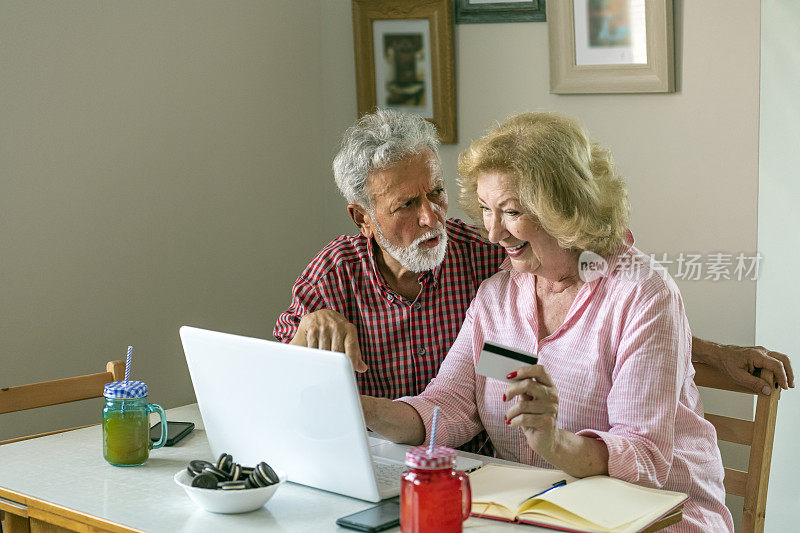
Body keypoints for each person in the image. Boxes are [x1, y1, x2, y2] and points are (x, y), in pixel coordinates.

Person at [361, 112, 734, 531]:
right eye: (486, 210)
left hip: (659, 518)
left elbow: (643, 456)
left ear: (564, 208)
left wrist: (553, 440)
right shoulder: (496, 298)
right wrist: (365, 410)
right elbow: (447, 407)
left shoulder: (642, 294)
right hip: (541, 518)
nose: (494, 233)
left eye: (512, 212)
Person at [273, 109, 793, 409]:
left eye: (435, 193)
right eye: (405, 205)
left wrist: (711, 353)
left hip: (475, 468)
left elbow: (602, 322)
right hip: (383, 459)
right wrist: (301, 346)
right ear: (362, 216)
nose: (431, 218)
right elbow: (277, 384)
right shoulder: (334, 274)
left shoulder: (487, 256)